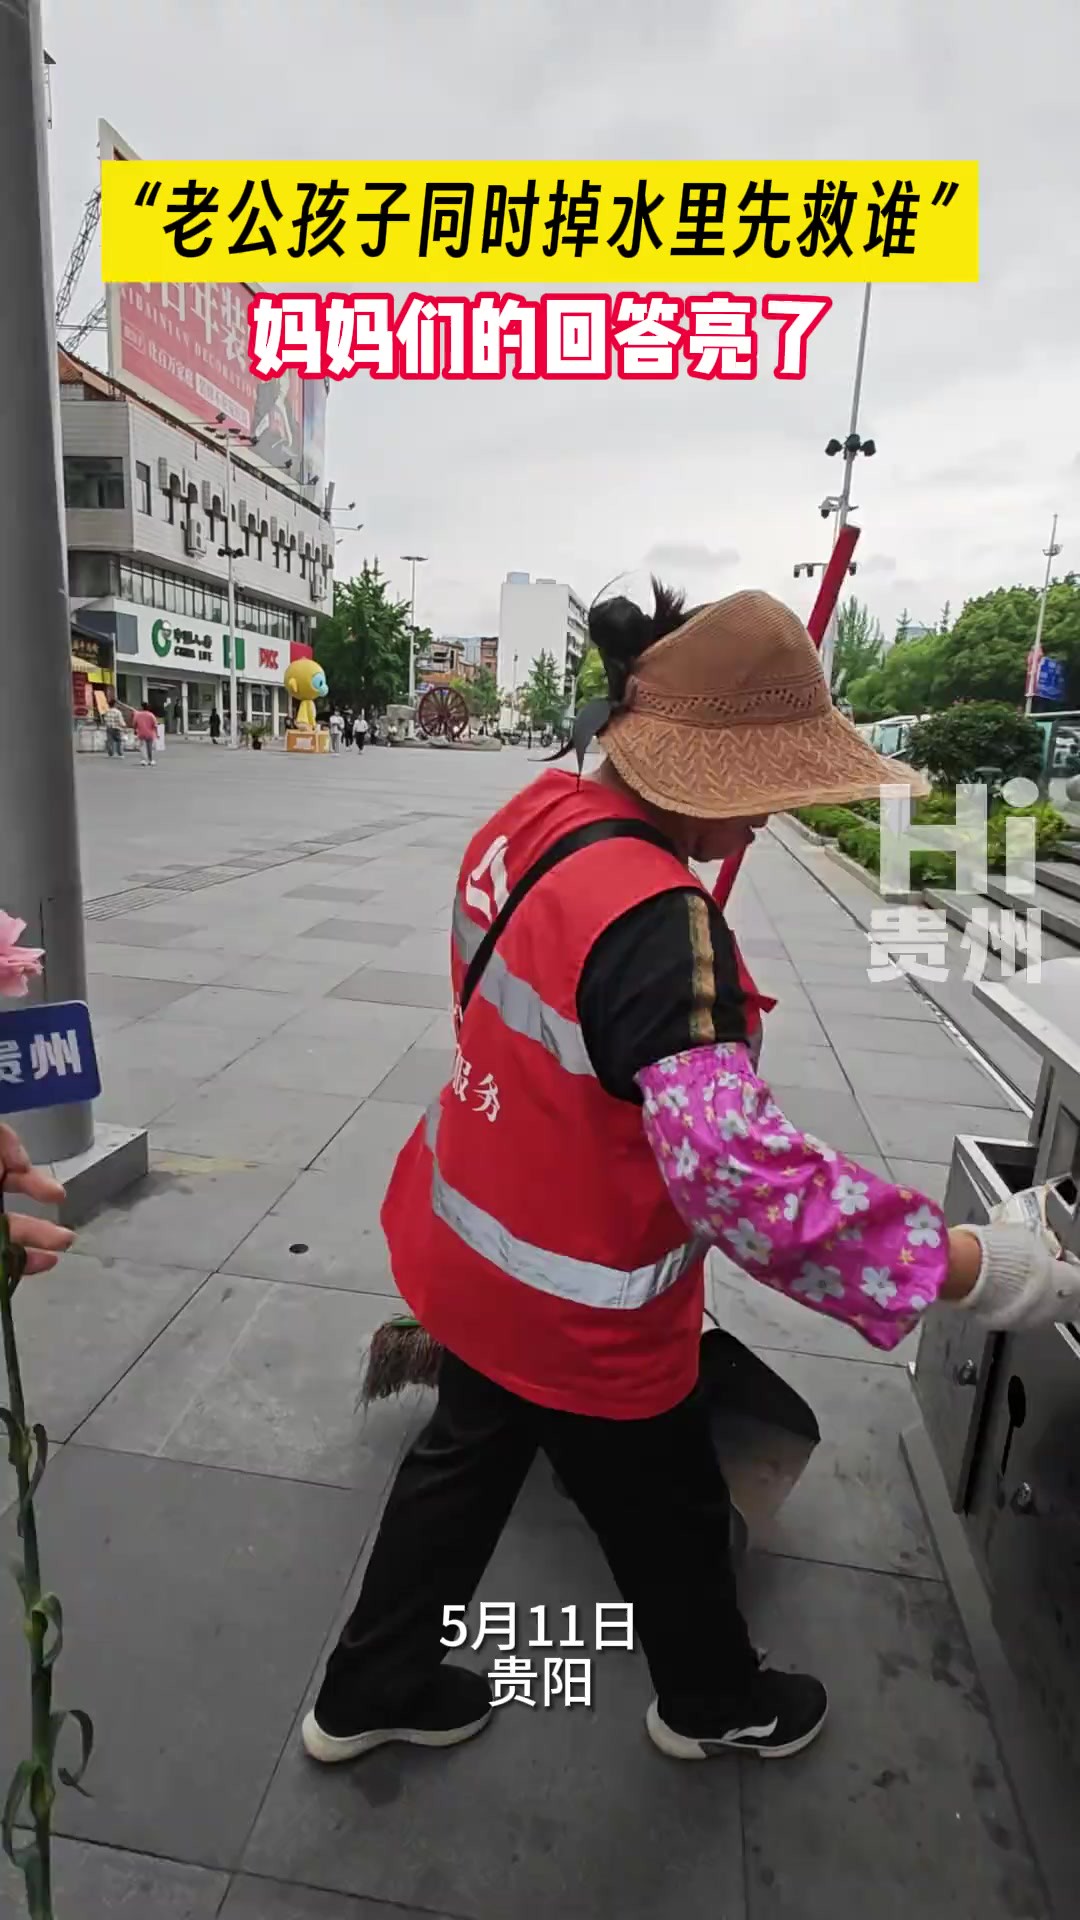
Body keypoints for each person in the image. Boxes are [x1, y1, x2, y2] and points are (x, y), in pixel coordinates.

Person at [302, 584, 1080, 1772]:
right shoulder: (661, 932)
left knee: (462, 1463)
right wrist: (976, 1265)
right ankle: (714, 1702)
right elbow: (745, 1182)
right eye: (761, 791)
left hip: (481, 1239)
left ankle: (369, 1684)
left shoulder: (533, 818)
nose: (768, 821)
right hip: (587, 1306)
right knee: (664, 1507)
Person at [133, 703, 159, 767]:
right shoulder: (151, 715)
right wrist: (157, 734)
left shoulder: (138, 715)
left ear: (142, 708)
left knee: (142, 747)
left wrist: (135, 730)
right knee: (150, 747)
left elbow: (134, 723)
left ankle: (143, 760)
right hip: (150, 733)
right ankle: (151, 760)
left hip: (141, 733)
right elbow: (155, 725)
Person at [103, 696, 125, 760]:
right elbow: (120, 721)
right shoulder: (118, 712)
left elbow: (105, 720)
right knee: (119, 741)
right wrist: (124, 725)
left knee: (110, 741)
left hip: (109, 728)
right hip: (116, 728)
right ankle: (120, 753)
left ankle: (111, 753)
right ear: (115, 704)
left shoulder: (107, 711)